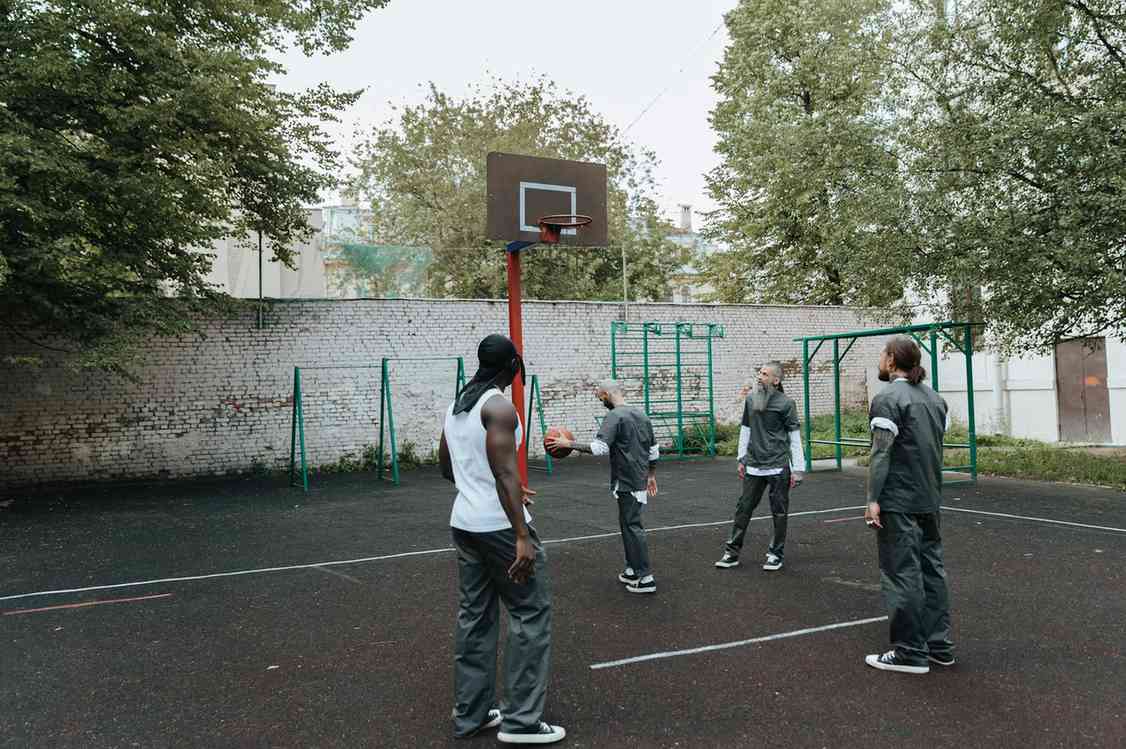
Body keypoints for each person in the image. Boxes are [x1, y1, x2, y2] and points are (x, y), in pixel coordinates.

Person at [439, 334, 565, 744]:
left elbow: (449, 468)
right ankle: (521, 722)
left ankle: (471, 715)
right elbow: (505, 472)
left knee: (475, 616)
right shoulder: (498, 407)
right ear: (512, 367)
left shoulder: (457, 407)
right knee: (529, 614)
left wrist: (489, 486)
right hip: (500, 528)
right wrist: (522, 535)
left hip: (465, 522)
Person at [863, 335, 955, 675]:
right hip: (929, 498)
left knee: (902, 573)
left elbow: (881, 453)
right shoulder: (935, 399)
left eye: (882, 355)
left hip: (899, 501)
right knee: (932, 571)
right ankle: (939, 646)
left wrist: (873, 499)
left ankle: (910, 653)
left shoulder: (887, 399)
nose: (880, 360)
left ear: (891, 360)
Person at [545, 379, 660, 594]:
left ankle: (646, 578)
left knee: (632, 526)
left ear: (607, 394)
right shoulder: (642, 415)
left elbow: (599, 448)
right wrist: (651, 475)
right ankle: (632, 570)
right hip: (637, 478)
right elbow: (654, 450)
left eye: (600, 397)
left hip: (628, 481)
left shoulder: (614, 416)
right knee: (628, 524)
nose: (601, 401)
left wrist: (568, 444)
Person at [715, 361, 805, 571]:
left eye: (764, 374)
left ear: (776, 380)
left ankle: (775, 554)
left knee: (779, 512)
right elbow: (745, 429)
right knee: (743, 509)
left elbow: (794, 437)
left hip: (778, 465)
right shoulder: (751, 400)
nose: (759, 377)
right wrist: (741, 458)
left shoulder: (786, 404)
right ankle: (731, 553)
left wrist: (798, 469)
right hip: (754, 464)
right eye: (760, 373)